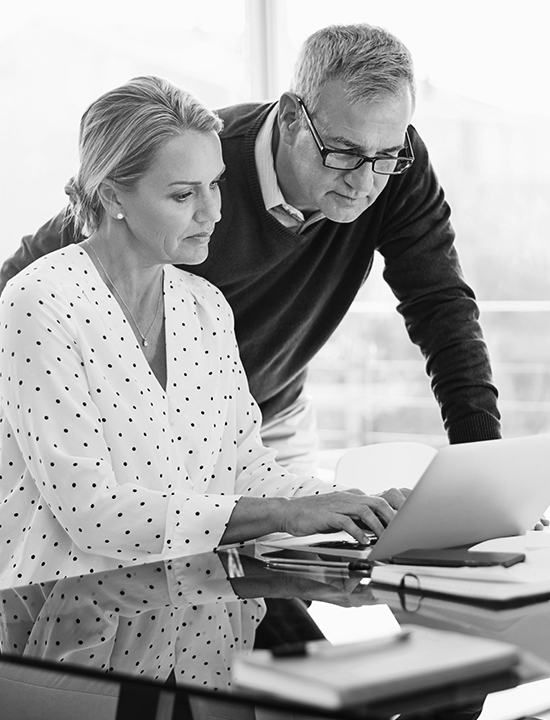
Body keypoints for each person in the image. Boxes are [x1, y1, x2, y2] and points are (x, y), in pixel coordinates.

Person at [0, 75, 404, 690]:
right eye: (184, 194)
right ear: (113, 195)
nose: (214, 211)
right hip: (69, 634)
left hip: (200, 627)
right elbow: (92, 513)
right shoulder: (39, 302)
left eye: (215, 184)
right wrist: (290, 514)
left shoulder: (203, 305)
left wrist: (347, 507)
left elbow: (243, 463)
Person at [0, 23, 501, 479]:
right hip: (148, 431)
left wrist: (480, 466)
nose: (365, 181)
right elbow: (38, 272)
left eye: (387, 154)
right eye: (343, 152)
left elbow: (441, 306)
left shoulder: (396, 171)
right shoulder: (195, 161)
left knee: (311, 555)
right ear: (290, 118)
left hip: (270, 420)